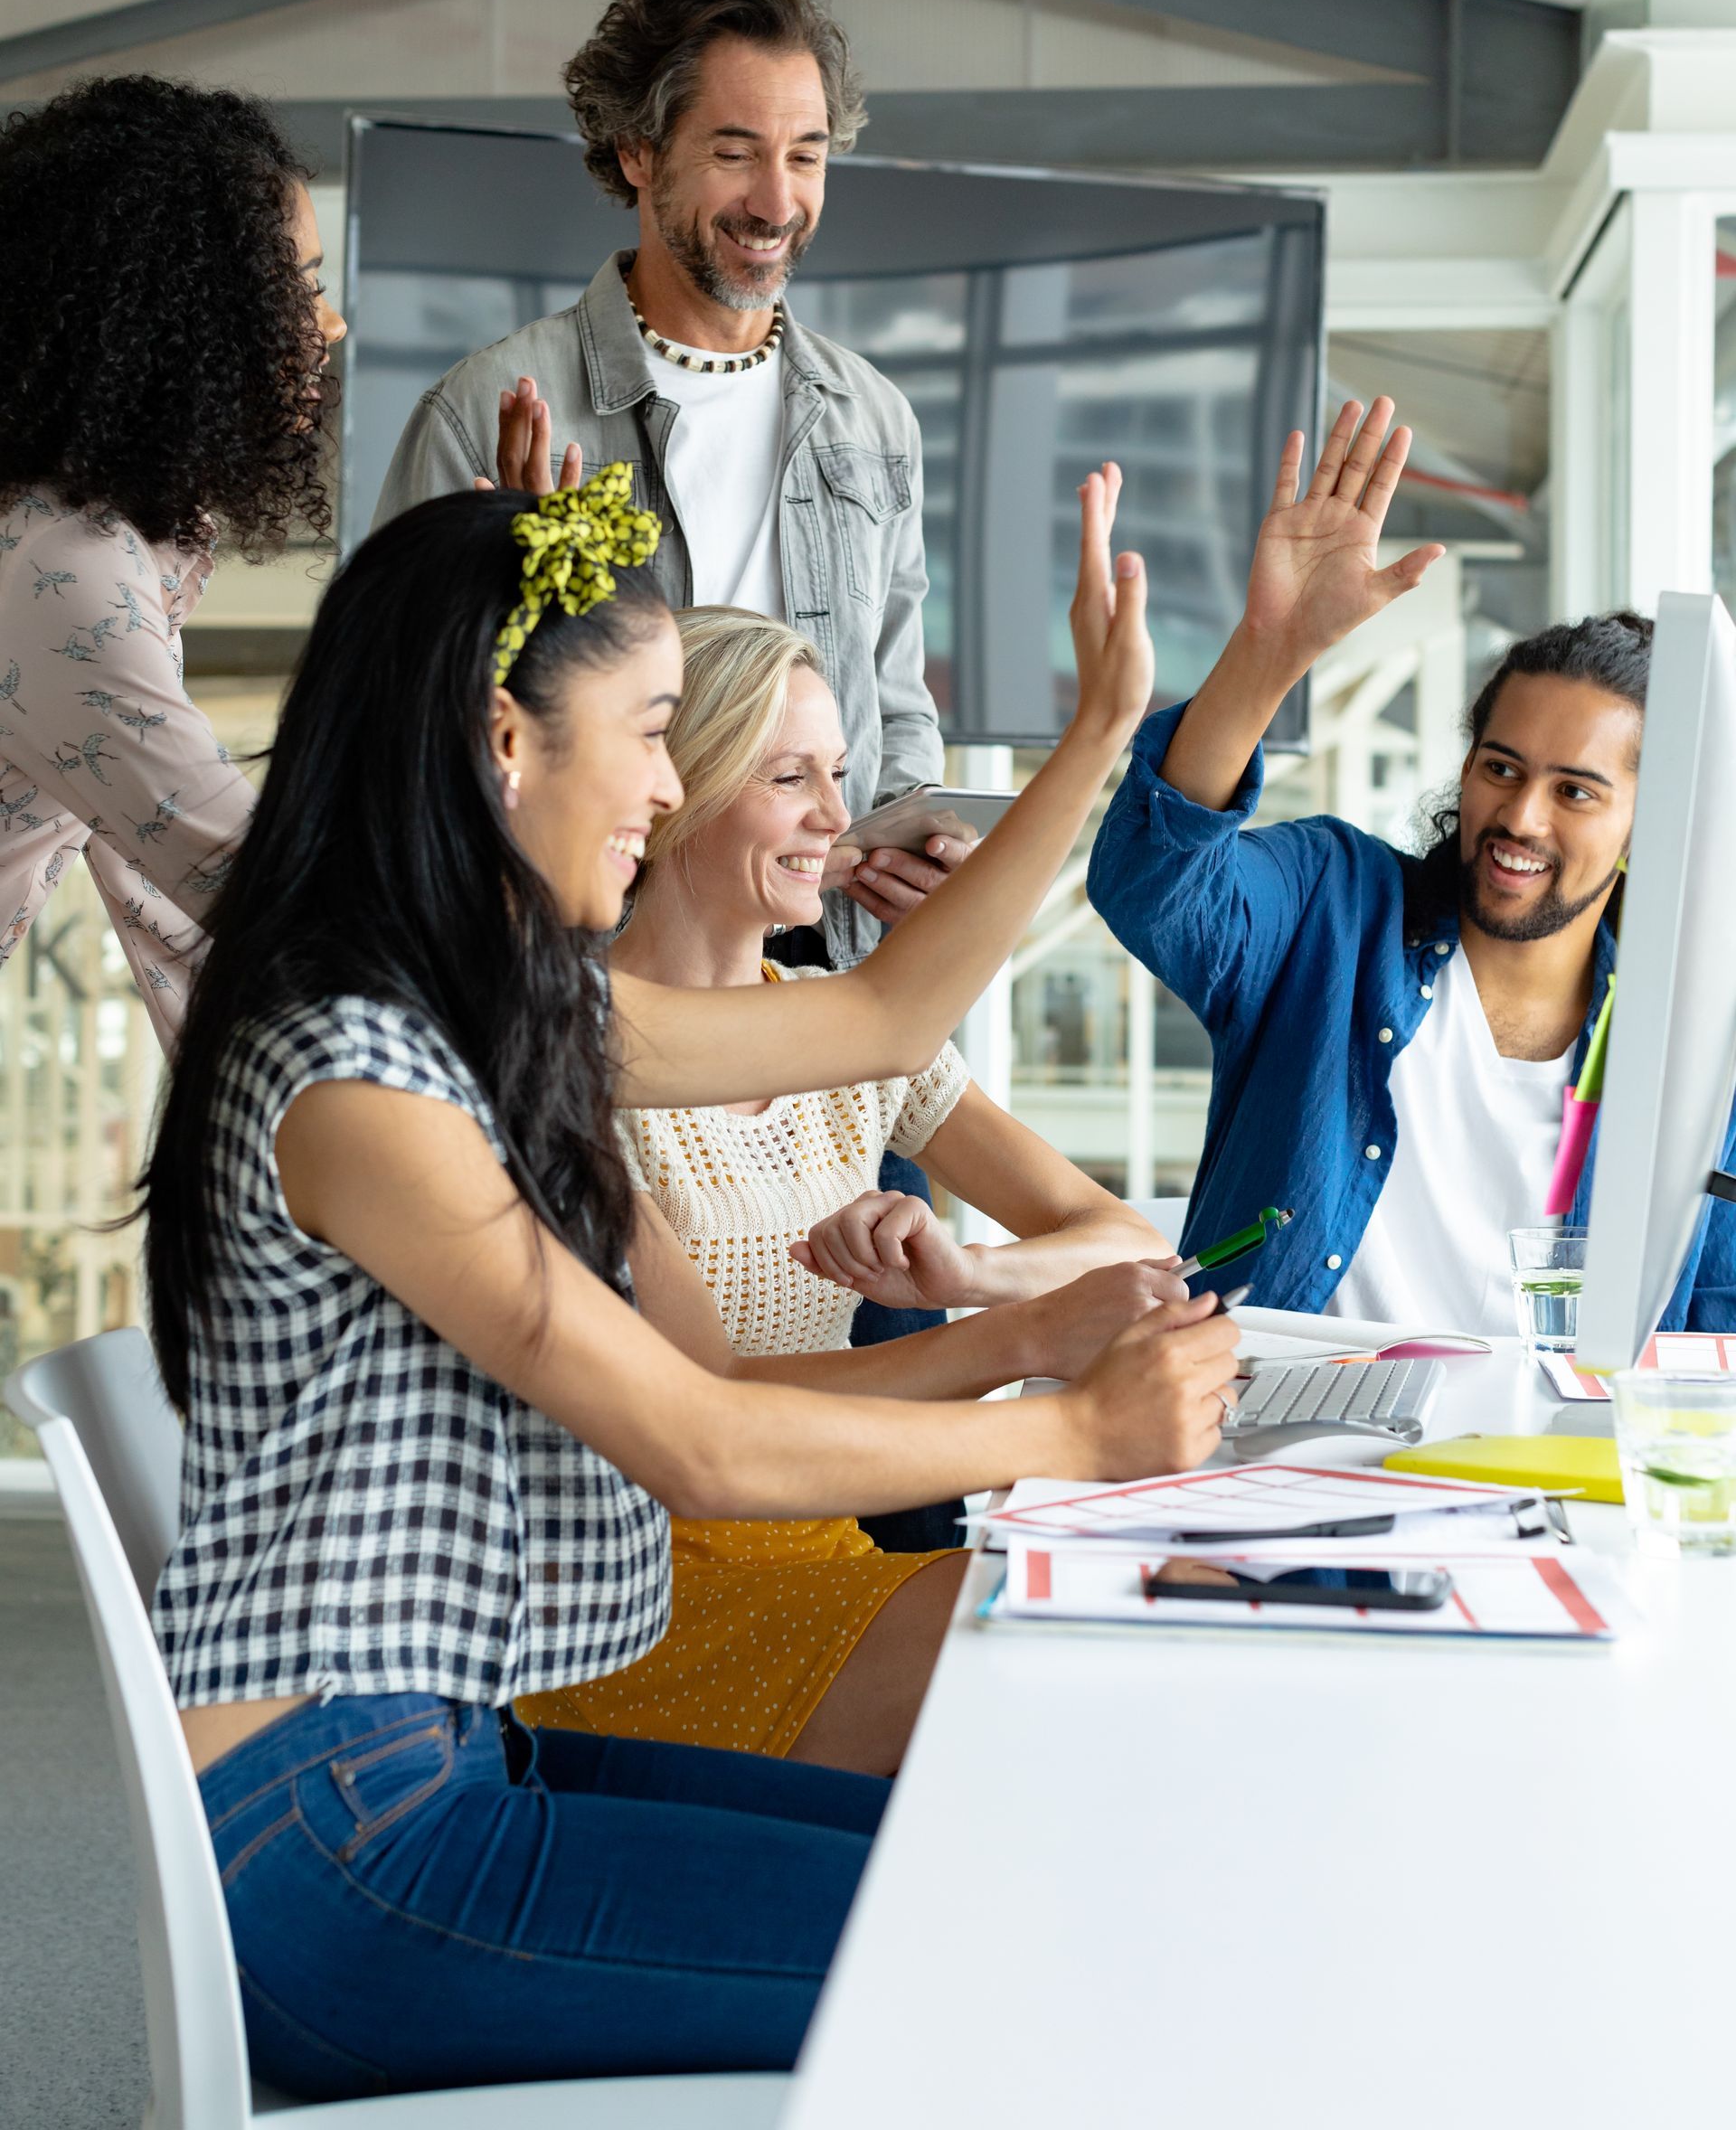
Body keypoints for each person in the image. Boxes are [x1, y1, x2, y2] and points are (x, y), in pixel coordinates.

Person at [142, 465, 1238, 2097]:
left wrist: (1093, 741)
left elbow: (871, 1027)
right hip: (332, 1853)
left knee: (1021, 1865)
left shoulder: (476, 1005)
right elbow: (698, 1447)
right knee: (1019, 1944)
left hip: (438, 1764)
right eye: (655, 732)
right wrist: (1071, 1432)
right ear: (506, 743)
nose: (670, 786)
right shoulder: (355, 1067)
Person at [514, 604, 1183, 1775]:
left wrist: (973, 1275)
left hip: (827, 1554)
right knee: (1059, 1671)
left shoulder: (852, 1046)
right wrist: (1013, 1336)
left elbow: (1112, 1236)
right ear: (683, 792)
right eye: (790, 778)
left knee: (1126, 1633)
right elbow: (703, 1404)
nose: (836, 817)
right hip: (634, 1601)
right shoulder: (567, 1050)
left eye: (837, 773)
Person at [1087, 395, 1736, 1334]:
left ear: (1650, 826)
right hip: (1274, 1450)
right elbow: (1151, 882)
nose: (1519, 816)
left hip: (1542, 1463)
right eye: (1501, 768)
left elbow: (1713, 1329)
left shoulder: (1688, 1055)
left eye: (1576, 791)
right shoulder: (1334, 903)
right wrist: (1273, 651)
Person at [373, 0, 960, 955]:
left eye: (808, 155)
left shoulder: (872, 416)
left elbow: (893, 703)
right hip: (602, 957)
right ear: (639, 152)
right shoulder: (490, 409)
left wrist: (922, 840)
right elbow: (406, 731)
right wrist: (519, 609)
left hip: (827, 948)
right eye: (736, 153)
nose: (778, 202)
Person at [0, 75, 346, 1047]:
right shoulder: (71, 573)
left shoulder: (120, 539)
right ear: (184, 311)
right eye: (304, 286)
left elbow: (158, 875)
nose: (330, 325)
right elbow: (245, 881)